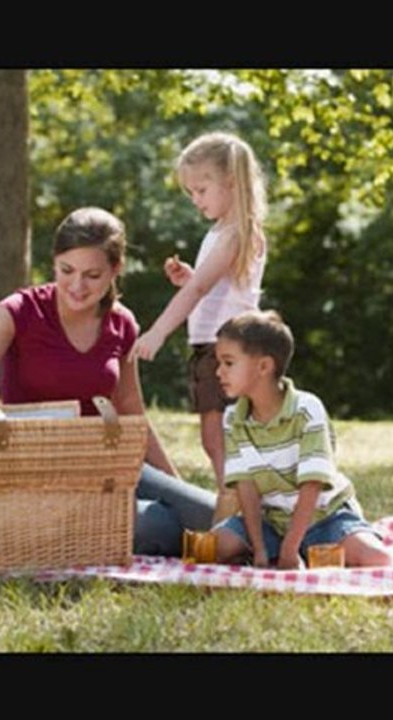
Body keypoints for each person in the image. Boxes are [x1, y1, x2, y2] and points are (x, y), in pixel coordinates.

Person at [0, 206, 215, 557]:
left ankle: (296, 545)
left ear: (115, 270)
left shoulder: (122, 324)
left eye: (92, 275)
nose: (77, 285)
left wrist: (172, 485)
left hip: (105, 461)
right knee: (157, 523)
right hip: (39, 470)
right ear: (54, 261)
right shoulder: (19, 311)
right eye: (66, 270)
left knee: (208, 513)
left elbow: (131, 411)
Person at [129, 132, 267, 521]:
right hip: (215, 348)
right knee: (217, 438)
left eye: (201, 189)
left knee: (222, 438)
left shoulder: (236, 232)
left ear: (231, 183)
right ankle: (235, 509)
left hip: (230, 350)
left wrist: (157, 332)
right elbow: (212, 284)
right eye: (191, 193)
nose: (196, 200)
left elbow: (202, 289)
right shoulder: (221, 231)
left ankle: (237, 514)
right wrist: (189, 277)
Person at [210, 310, 392, 570]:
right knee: (214, 547)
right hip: (271, 522)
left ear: (264, 366)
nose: (218, 372)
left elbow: (312, 484)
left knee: (378, 560)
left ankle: (304, 550)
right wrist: (260, 550)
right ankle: (298, 553)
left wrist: (289, 549)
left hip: (325, 518)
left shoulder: (307, 409)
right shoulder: (233, 418)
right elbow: (246, 488)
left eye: (228, 363)